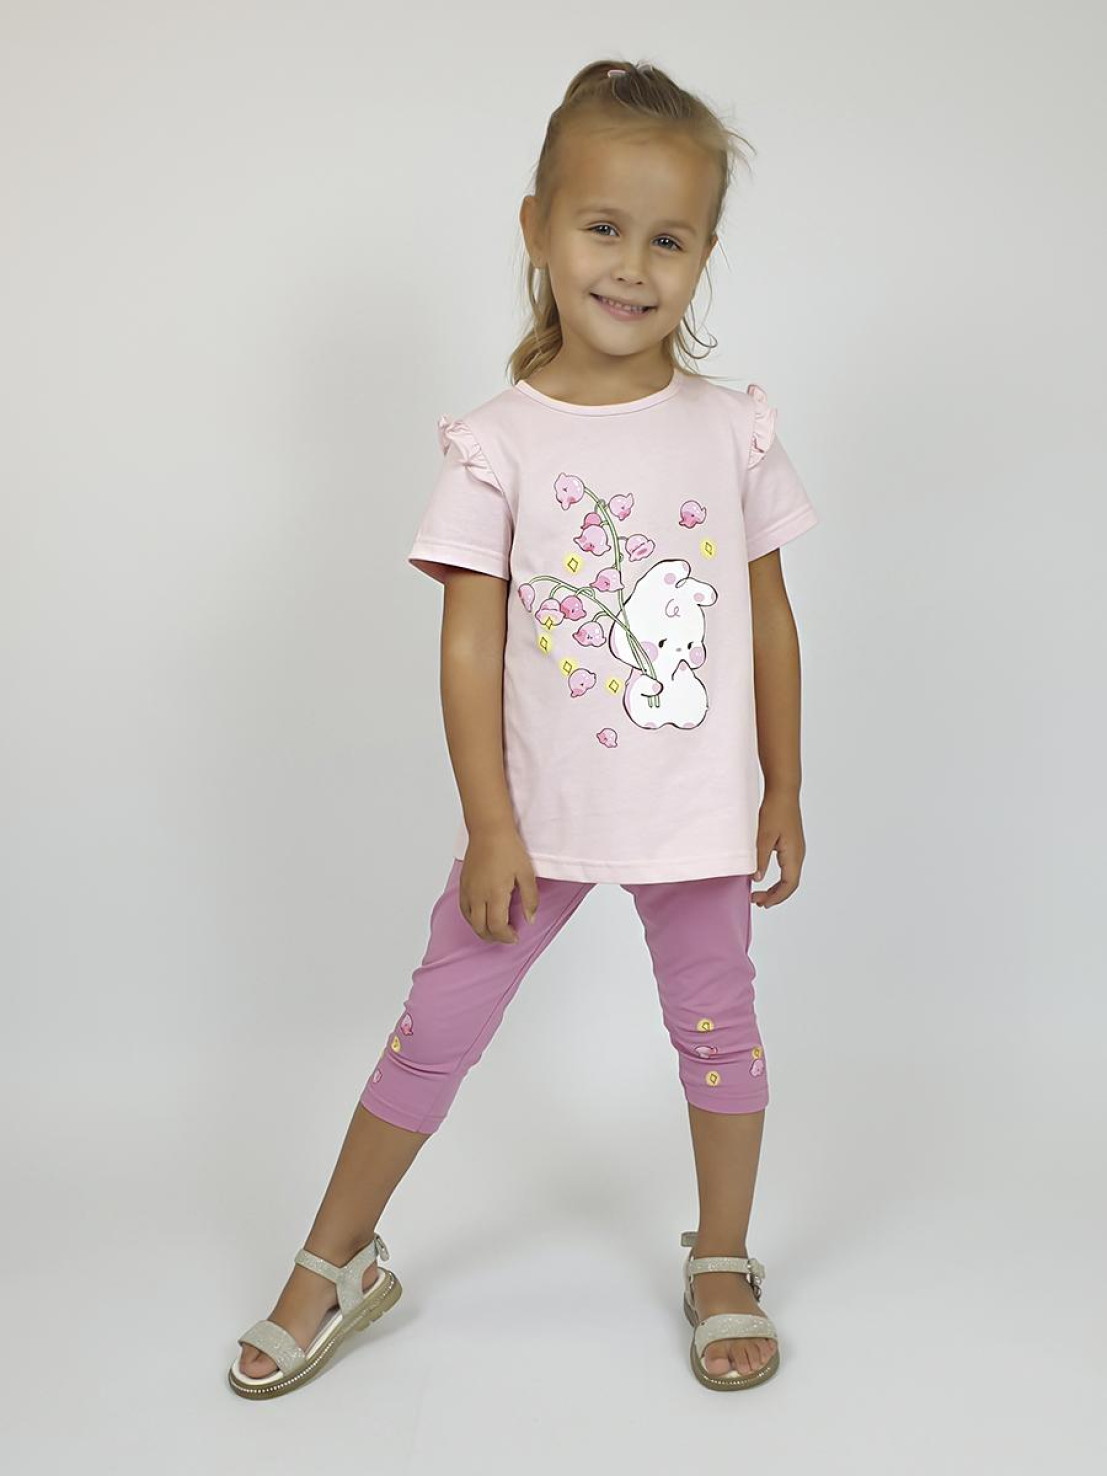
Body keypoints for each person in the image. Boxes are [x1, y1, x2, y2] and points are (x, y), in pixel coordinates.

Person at [228, 56, 819, 1399]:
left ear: (704, 256)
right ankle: (333, 1261)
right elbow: (468, 643)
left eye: (669, 240)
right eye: (603, 227)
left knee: (720, 1032)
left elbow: (771, 618)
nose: (633, 266)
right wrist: (491, 822)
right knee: (433, 1029)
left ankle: (723, 1256)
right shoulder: (498, 442)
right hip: (535, 825)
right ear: (537, 229)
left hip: (698, 819)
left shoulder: (731, 431)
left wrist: (783, 783)